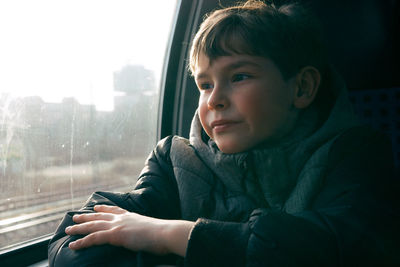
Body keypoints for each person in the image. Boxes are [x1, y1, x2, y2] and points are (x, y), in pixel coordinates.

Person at [48, 1, 400, 266]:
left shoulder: (357, 154)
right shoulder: (174, 161)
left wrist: (171, 235)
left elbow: (340, 247)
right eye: (204, 84)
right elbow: (72, 245)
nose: (214, 100)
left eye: (239, 76)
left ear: (302, 88)